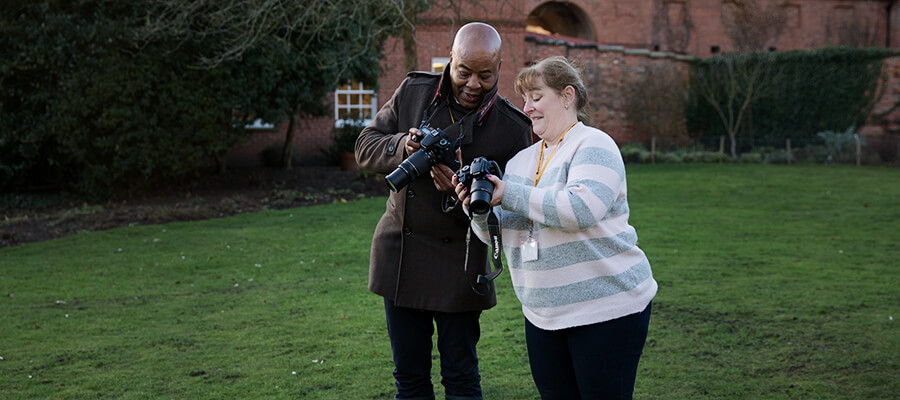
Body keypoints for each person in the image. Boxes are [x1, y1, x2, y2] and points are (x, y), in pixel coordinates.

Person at [453, 56, 657, 399]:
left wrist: (510, 193)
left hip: (605, 309)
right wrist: (477, 209)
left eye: (536, 97)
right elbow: (501, 234)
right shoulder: (520, 161)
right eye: (524, 99)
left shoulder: (594, 144)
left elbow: (581, 209)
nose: (527, 108)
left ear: (567, 96)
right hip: (543, 315)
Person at [355, 22, 532, 400]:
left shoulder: (514, 129)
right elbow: (364, 146)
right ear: (449, 59)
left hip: (461, 263)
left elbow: (513, 215)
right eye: (464, 71)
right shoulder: (414, 92)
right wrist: (405, 145)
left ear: (500, 67)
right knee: (410, 378)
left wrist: (460, 196)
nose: (472, 84)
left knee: (461, 377)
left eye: (485, 75)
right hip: (401, 257)